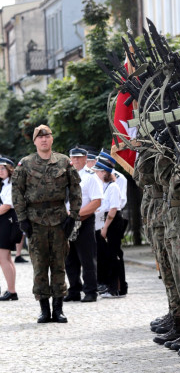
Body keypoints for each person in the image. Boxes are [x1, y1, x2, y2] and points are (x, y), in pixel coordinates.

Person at [11, 125, 82, 323]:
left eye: (47, 136)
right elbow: (17, 192)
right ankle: (44, 309)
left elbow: (75, 189)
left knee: (59, 264)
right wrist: (22, 218)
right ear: (34, 141)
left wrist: (73, 216)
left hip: (59, 219)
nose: (43, 140)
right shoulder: (25, 164)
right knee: (40, 266)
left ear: (52, 139)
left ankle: (58, 309)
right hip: (35, 220)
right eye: (39, 137)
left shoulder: (64, 162)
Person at [64, 147, 103, 303]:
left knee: (87, 258)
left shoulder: (91, 177)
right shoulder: (66, 176)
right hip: (67, 220)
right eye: (73, 158)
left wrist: (76, 215)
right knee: (69, 258)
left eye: (79, 158)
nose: (76, 161)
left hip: (84, 220)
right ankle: (74, 289)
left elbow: (96, 202)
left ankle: (90, 291)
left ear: (86, 158)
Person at [94, 159, 126, 298]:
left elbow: (113, 209)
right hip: (104, 219)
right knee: (106, 255)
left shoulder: (113, 187)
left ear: (104, 172)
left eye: (98, 171)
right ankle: (109, 286)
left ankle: (116, 288)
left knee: (114, 255)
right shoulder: (104, 186)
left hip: (112, 221)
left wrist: (105, 227)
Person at [0, 157, 21, 300]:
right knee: (6, 257)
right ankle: (11, 290)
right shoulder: (2, 184)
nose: (0, 171)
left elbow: (7, 206)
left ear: (9, 170)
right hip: (2, 221)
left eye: (3, 168)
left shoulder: (12, 185)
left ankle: (12, 291)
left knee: (3, 258)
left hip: (7, 221)